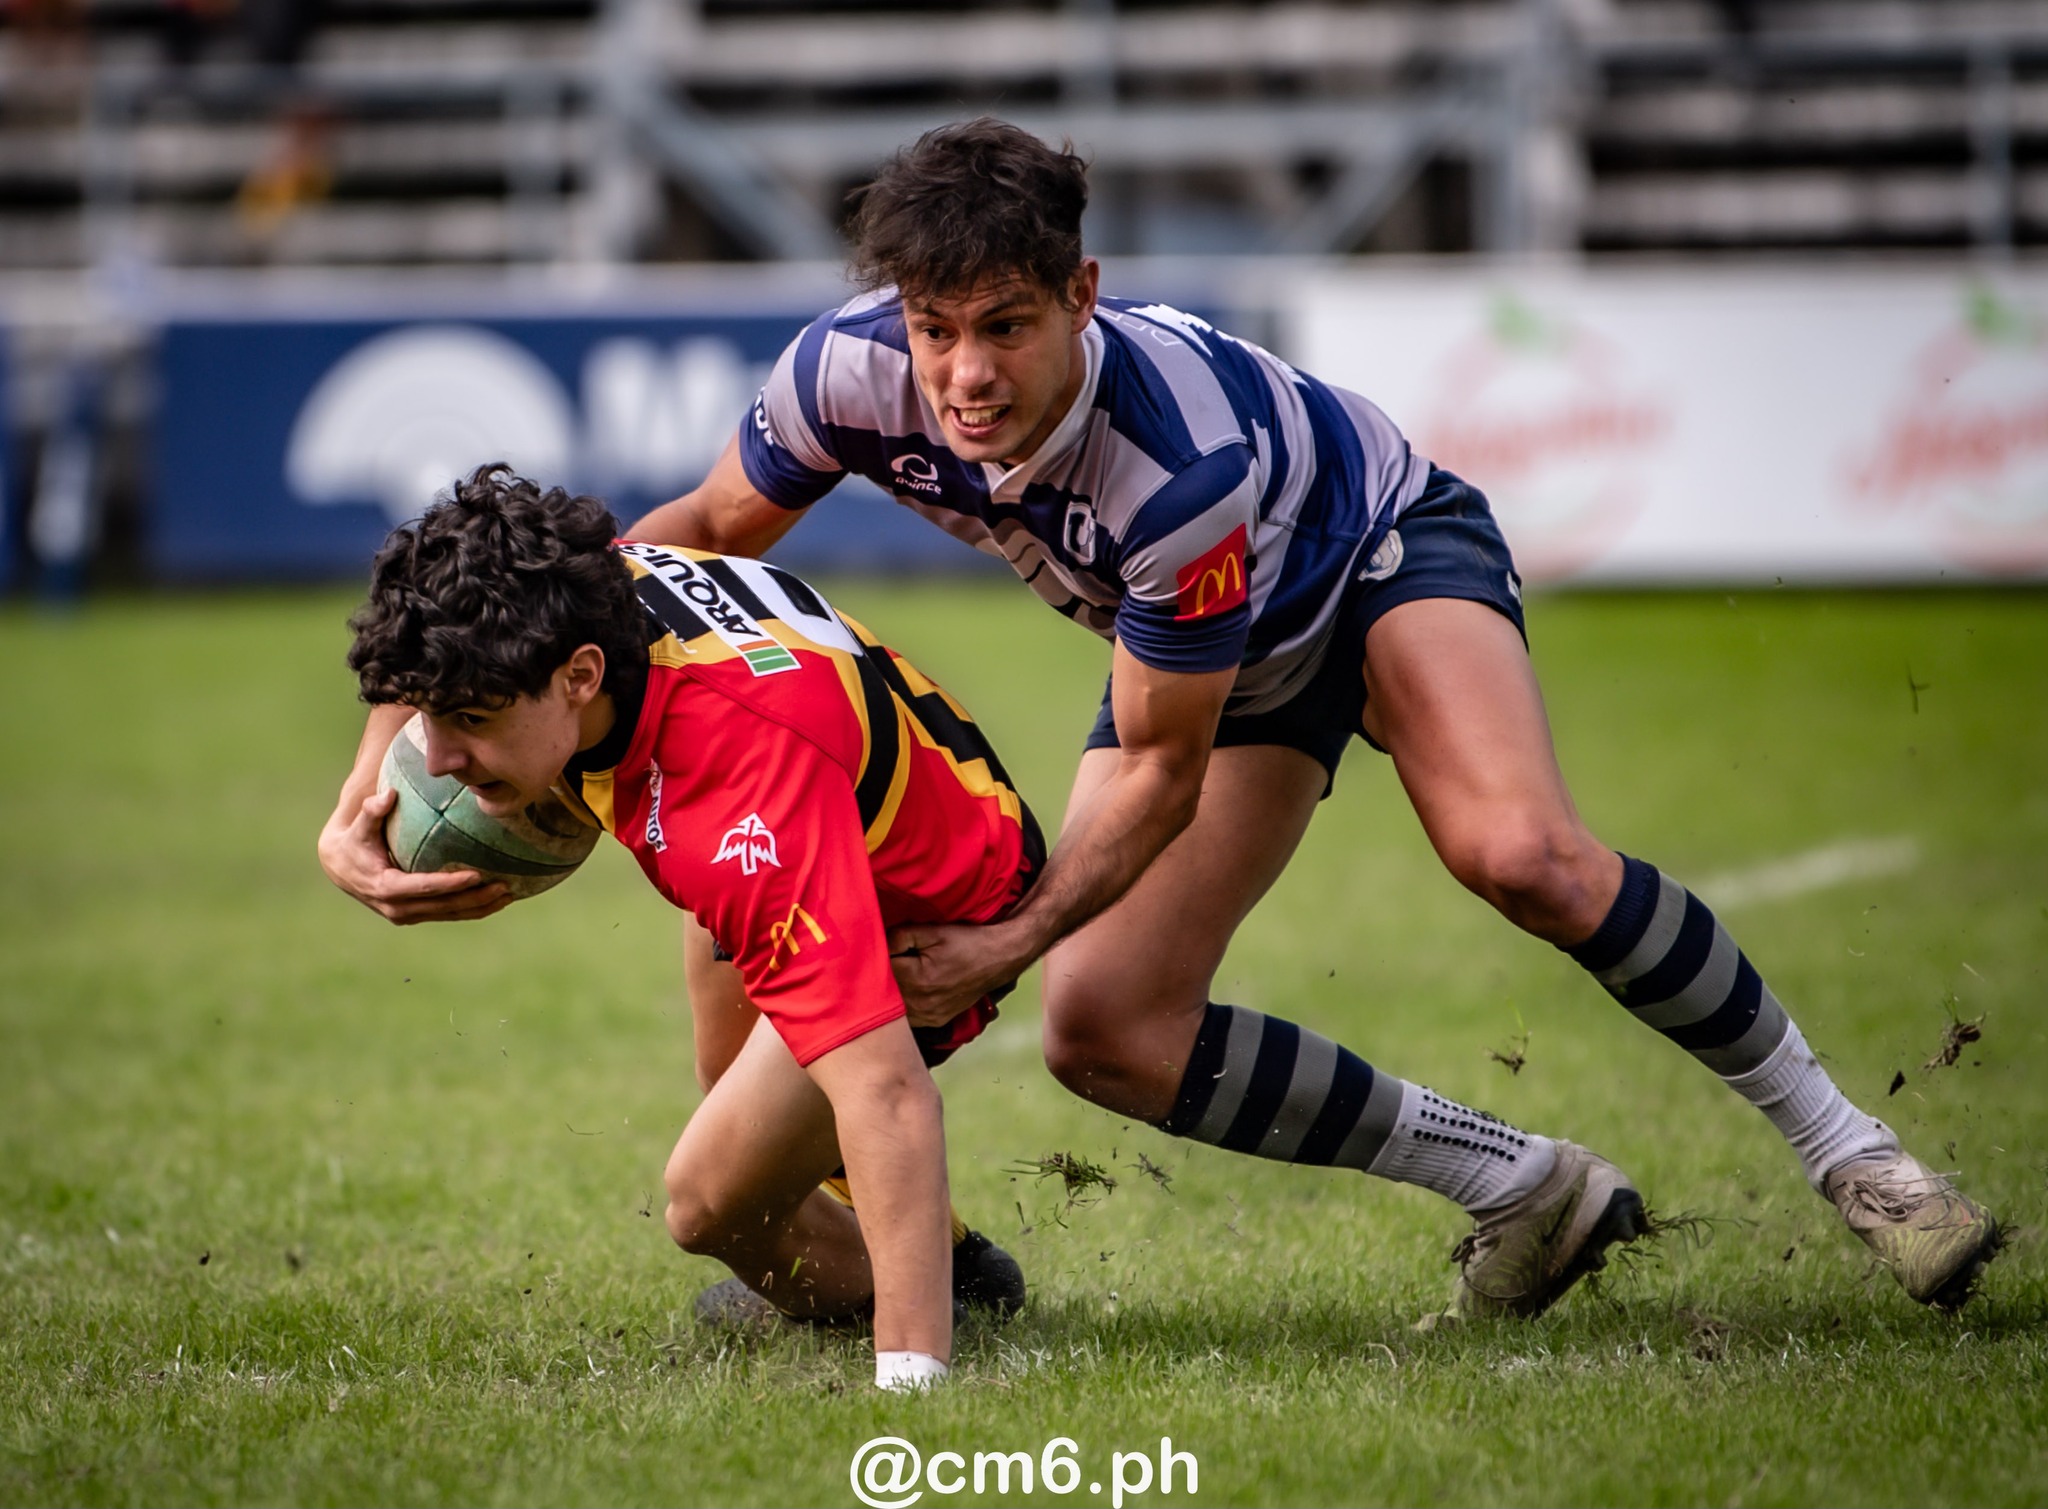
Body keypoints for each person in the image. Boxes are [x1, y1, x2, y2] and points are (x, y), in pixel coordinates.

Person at [615, 118, 2002, 1320]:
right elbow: (705, 532)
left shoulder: (1175, 467)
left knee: (1522, 854)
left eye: (1006, 327)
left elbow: (1159, 767)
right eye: (935, 330)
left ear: (1082, 295)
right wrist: (538, 640)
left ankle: (1862, 1158)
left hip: (1379, 546)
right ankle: (1526, 1187)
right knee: (1103, 1030)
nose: (964, 373)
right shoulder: (843, 372)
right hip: (1229, 653)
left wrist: (1003, 940)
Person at [336, 464, 1047, 1389]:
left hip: (932, 895)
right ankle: (930, 1243)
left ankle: (940, 1293)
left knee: (711, 1202)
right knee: (733, 1085)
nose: (438, 758)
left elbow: (889, 1094)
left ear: (580, 676)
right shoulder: (579, 589)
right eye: (432, 716)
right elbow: (428, 637)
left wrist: (911, 1392)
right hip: (848, 800)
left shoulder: (736, 798)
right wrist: (353, 809)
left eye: (470, 718)